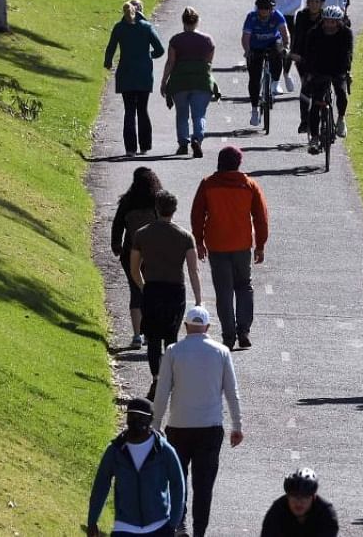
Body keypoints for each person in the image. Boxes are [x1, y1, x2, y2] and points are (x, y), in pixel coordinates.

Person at [151, 306, 243, 537]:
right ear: (208, 328)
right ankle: (200, 531)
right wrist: (237, 425)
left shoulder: (173, 351)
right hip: (210, 428)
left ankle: (179, 524)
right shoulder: (221, 352)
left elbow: (162, 392)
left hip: (179, 427)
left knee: (177, 479)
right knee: (204, 485)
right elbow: (232, 392)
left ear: (185, 327)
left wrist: (155, 425)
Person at [191, 146, 269, 350]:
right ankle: (243, 331)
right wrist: (260, 245)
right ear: (238, 163)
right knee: (244, 286)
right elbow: (261, 217)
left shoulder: (208, 184)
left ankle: (228, 335)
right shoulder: (249, 184)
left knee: (224, 291)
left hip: (216, 244)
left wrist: (199, 241)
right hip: (242, 244)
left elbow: (197, 215)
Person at [129, 190, 204, 399]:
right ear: (174, 210)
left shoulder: (142, 234)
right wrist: (198, 299)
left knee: (152, 338)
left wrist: (143, 287)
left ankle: (156, 378)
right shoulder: (184, 236)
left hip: (152, 288)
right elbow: (192, 270)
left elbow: (134, 268)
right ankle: (171, 377)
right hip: (175, 291)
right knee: (171, 337)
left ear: (156, 208)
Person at [86, 398, 186, 537]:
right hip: (125, 527)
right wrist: (92, 521)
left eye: (140, 417)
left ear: (150, 420)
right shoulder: (115, 450)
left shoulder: (163, 450)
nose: (135, 420)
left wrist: (173, 523)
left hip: (159, 526)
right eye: (131, 416)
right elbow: (101, 485)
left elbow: (178, 485)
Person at [110, 167, 163, 349]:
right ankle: (150, 332)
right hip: (154, 253)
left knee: (136, 291)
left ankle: (136, 335)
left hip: (130, 252)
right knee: (153, 291)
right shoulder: (157, 201)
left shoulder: (127, 201)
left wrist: (116, 245)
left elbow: (117, 224)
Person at [104, 0, 165, 155]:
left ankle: (130, 149)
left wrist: (108, 62)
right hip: (144, 74)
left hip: (126, 73)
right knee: (143, 110)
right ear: (141, 10)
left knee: (129, 110)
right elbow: (160, 50)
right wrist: (148, 56)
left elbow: (110, 48)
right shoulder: (146, 27)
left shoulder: (119, 28)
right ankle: (145, 146)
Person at [160, 6, 216, 158]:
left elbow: (171, 62)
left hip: (180, 81)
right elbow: (208, 63)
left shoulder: (176, 40)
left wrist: (164, 81)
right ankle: (197, 138)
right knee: (199, 115)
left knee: (182, 114)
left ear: (183, 22)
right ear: (198, 21)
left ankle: (183, 144)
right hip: (201, 81)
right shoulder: (207, 40)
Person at [300, 5, 353, 152]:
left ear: (339, 22)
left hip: (338, 68)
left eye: (333, 22)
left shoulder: (346, 33)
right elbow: (308, 55)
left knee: (341, 93)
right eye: (327, 21)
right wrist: (310, 73)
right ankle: (315, 138)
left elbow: (348, 54)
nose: (330, 25)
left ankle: (341, 119)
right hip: (319, 69)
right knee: (316, 103)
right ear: (323, 21)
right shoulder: (314, 33)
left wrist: (345, 71)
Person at [241, 0, 289, 126]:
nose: (264, 11)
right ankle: (255, 109)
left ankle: (275, 82)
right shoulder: (251, 17)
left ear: (272, 8)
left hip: (272, 43)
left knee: (278, 52)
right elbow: (245, 37)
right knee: (255, 79)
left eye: (267, 8)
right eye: (261, 8)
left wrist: (286, 46)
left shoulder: (277, 15)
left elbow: (285, 33)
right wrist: (247, 51)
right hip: (255, 47)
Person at [257, 0, 303, 91]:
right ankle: (274, 80)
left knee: (287, 48)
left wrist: (280, 13)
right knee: (272, 49)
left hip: (288, 18)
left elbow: (297, 0)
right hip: (268, 19)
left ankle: (286, 73)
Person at [289, 0, 327, 134]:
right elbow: (297, 36)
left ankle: (325, 115)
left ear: (322, 3)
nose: (314, 5)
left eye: (317, 2)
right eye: (311, 1)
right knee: (306, 86)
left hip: (323, 56)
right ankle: (305, 120)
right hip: (304, 57)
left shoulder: (326, 16)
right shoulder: (301, 16)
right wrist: (294, 53)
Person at [260, 469, 339, 536]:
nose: (299, 502)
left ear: (313, 497)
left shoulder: (326, 514)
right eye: (294, 496)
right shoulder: (277, 511)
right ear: (287, 497)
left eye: (305, 497)